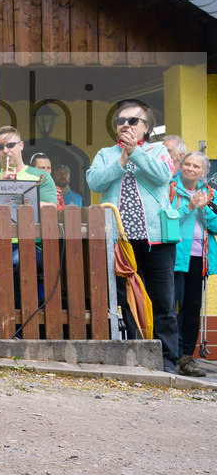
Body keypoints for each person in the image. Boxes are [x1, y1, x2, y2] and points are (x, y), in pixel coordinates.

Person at [86, 99, 179, 373]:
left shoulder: (159, 150)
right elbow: (94, 181)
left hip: (157, 241)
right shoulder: (105, 153)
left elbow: (163, 175)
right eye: (120, 121)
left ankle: (168, 361)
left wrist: (135, 152)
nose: (125, 125)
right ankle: (135, 357)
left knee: (162, 301)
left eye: (132, 121)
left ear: (146, 126)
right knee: (126, 300)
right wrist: (122, 159)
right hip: (120, 242)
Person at [0, 127, 57, 309]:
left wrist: (17, 194)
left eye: (10, 145)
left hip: (31, 245)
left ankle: (16, 321)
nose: (5, 151)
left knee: (17, 261)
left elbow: (50, 209)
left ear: (21, 146)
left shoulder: (41, 176)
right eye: (0, 147)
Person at [170, 151, 216, 377]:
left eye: (196, 166)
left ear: (204, 172)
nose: (189, 168)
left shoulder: (210, 194)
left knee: (191, 307)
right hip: (175, 254)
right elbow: (166, 219)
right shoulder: (169, 188)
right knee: (171, 305)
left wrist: (203, 208)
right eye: (187, 164)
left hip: (199, 257)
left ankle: (187, 356)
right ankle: (172, 354)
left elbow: (216, 225)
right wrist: (188, 207)